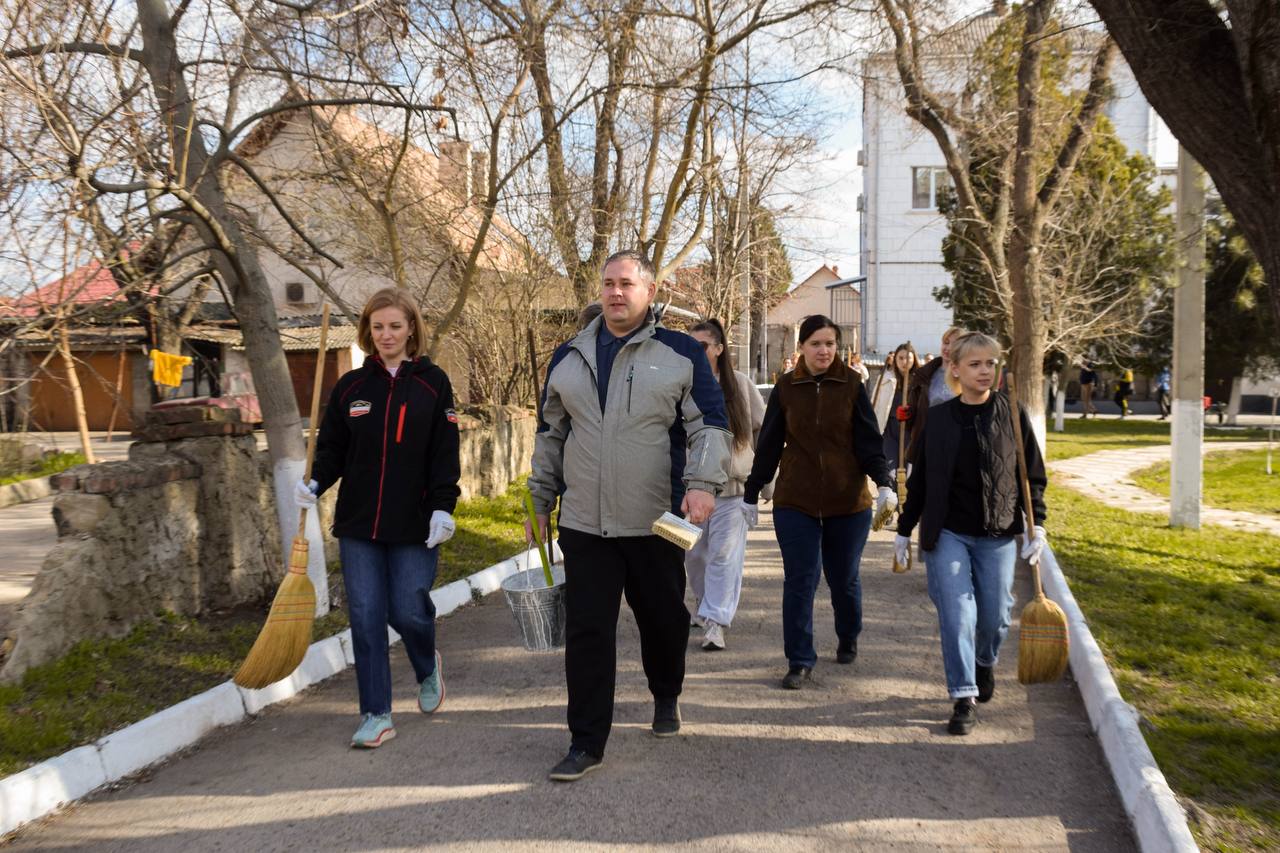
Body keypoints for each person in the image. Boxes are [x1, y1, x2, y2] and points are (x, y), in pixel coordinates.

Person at [528, 250, 731, 782]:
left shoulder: (680, 352)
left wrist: (703, 486)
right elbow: (550, 435)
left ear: (648, 290)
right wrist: (538, 501)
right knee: (589, 632)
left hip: (656, 519)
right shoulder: (568, 357)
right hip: (584, 522)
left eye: (626, 284)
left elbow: (709, 426)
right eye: (608, 284)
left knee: (662, 619)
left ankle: (666, 693)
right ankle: (585, 742)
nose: (615, 293)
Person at [297, 287, 461, 749]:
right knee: (366, 615)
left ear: (412, 328)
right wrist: (314, 481)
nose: (386, 335)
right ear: (367, 331)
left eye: (395, 326)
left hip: (414, 522)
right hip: (359, 524)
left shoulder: (433, 383)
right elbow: (331, 450)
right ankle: (376, 713)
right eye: (378, 326)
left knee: (408, 608)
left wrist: (443, 507)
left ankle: (427, 664)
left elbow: (445, 454)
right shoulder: (351, 386)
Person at [894, 332, 1047, 736]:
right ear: (956, 370)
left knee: (996, 618)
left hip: (997, 533)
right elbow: (922, 481)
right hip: (949, 532)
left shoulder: (1012, 413)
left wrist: (1039, 525)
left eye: (990, 363)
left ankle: (984, 663)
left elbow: (1032, 475)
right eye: (975, 364)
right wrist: (904, 530)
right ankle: (964, 697)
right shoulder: (941, 420)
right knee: (958, 613)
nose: (984, 371)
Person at [744, 315, 896, 690]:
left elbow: (868, 442)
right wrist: (752, 492)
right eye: (816, 343)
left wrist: (885, 484)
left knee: (844, 579)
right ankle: (799, 660)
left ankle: (848, 634)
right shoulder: (785, 387)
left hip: (848, 501)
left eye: (830, 343)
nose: (824, 350)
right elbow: (769, 445)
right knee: (801, 579)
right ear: (802, 347)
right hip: (796, 499)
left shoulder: (852, 385)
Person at [685, 318, 766, 651]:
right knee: (694, 557)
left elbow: (763, 430)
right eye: (691, 346)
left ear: (719, 349)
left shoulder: (741, 386)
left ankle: (716, 621)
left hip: (732, 489)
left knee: (723, 557)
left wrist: (764, 482)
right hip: (689, 490)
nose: (696, 352)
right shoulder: (680, 386)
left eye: (702, 345)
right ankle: (706, 608)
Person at [903, 327, 964, 463]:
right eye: (946, 342)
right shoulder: (924, 375)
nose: (948, 348)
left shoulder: (967, 376)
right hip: (927, 442)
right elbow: (913, 414)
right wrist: (906, 415)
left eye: (955, 344)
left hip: (957, 444)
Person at [882, 342, 920, 480]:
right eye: (901, 358)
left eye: (908, 358)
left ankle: (905, 501)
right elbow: (879, 407)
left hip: (911, 431)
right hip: (891, 431)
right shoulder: (887, 380)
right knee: (890, 472)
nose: (905, 362)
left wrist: (912, 413)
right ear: (895, 360)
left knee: (908, 474)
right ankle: (893, 498)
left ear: (914, 359)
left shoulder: (920, 381)